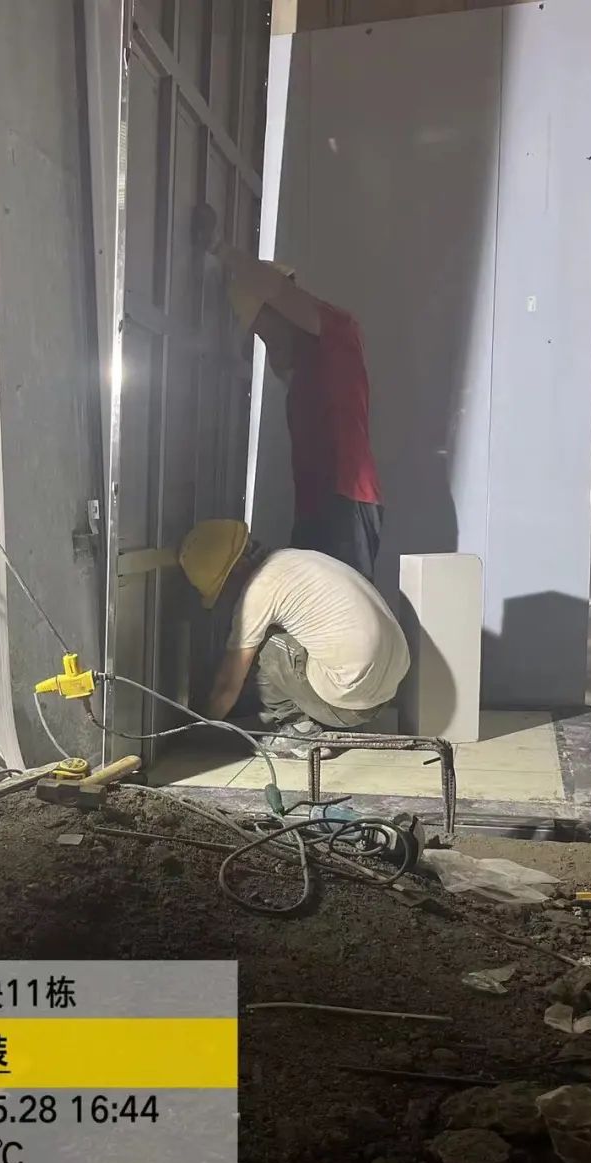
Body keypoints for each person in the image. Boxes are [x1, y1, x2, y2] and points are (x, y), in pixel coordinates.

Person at [194, 204, 383, 580]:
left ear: (282, 310)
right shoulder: (306, 370)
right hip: (321, 509)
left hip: (344, 500)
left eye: (264, 329)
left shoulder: (336, 332)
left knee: (336, 605)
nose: (267, 343)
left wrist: (220, 248)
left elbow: (278, 291)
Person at [179, 519, 409, 759]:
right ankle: (335, 713)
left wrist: (199, 728)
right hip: (385, 694)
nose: (228, 596)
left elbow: (228, 686)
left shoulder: (259, 590)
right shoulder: (293, 559)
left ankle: (299, 731)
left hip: (349, 707)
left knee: (258, 643)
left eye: (224, 588)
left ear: (236, 570)